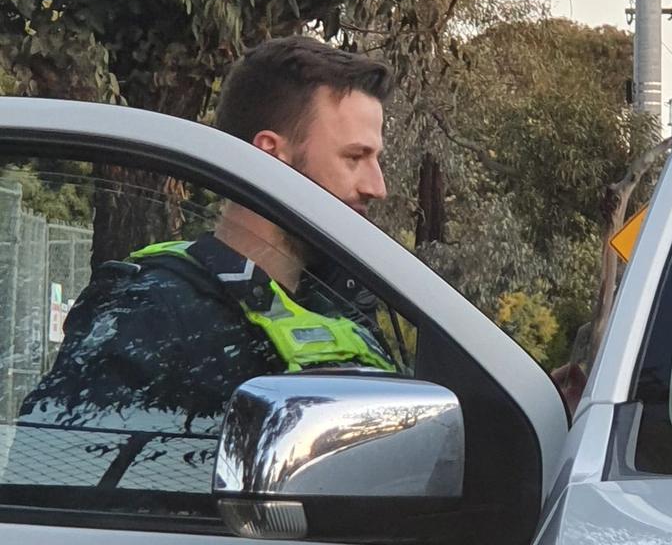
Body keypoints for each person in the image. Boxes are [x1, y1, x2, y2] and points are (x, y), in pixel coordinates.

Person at [18, 36, 396, 436]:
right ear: (270, 154)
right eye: (355, 157)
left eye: (376, 159)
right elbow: (54, 475)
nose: (377, 186)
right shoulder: (153, 312)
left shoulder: (343, 306)